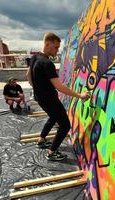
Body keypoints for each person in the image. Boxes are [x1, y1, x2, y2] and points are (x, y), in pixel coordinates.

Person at [26, 32, 89, 161]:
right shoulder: (47, 63)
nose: (57, 50)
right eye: (55, 47)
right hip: (49, 99)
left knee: (53, 117)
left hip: (40, 98)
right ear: (47, 44)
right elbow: (59, 87)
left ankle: (41, 140)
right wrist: (79, 95)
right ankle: (52, 152)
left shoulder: (35, 58)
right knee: (65, 125)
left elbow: (28, 76)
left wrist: (37, 88)